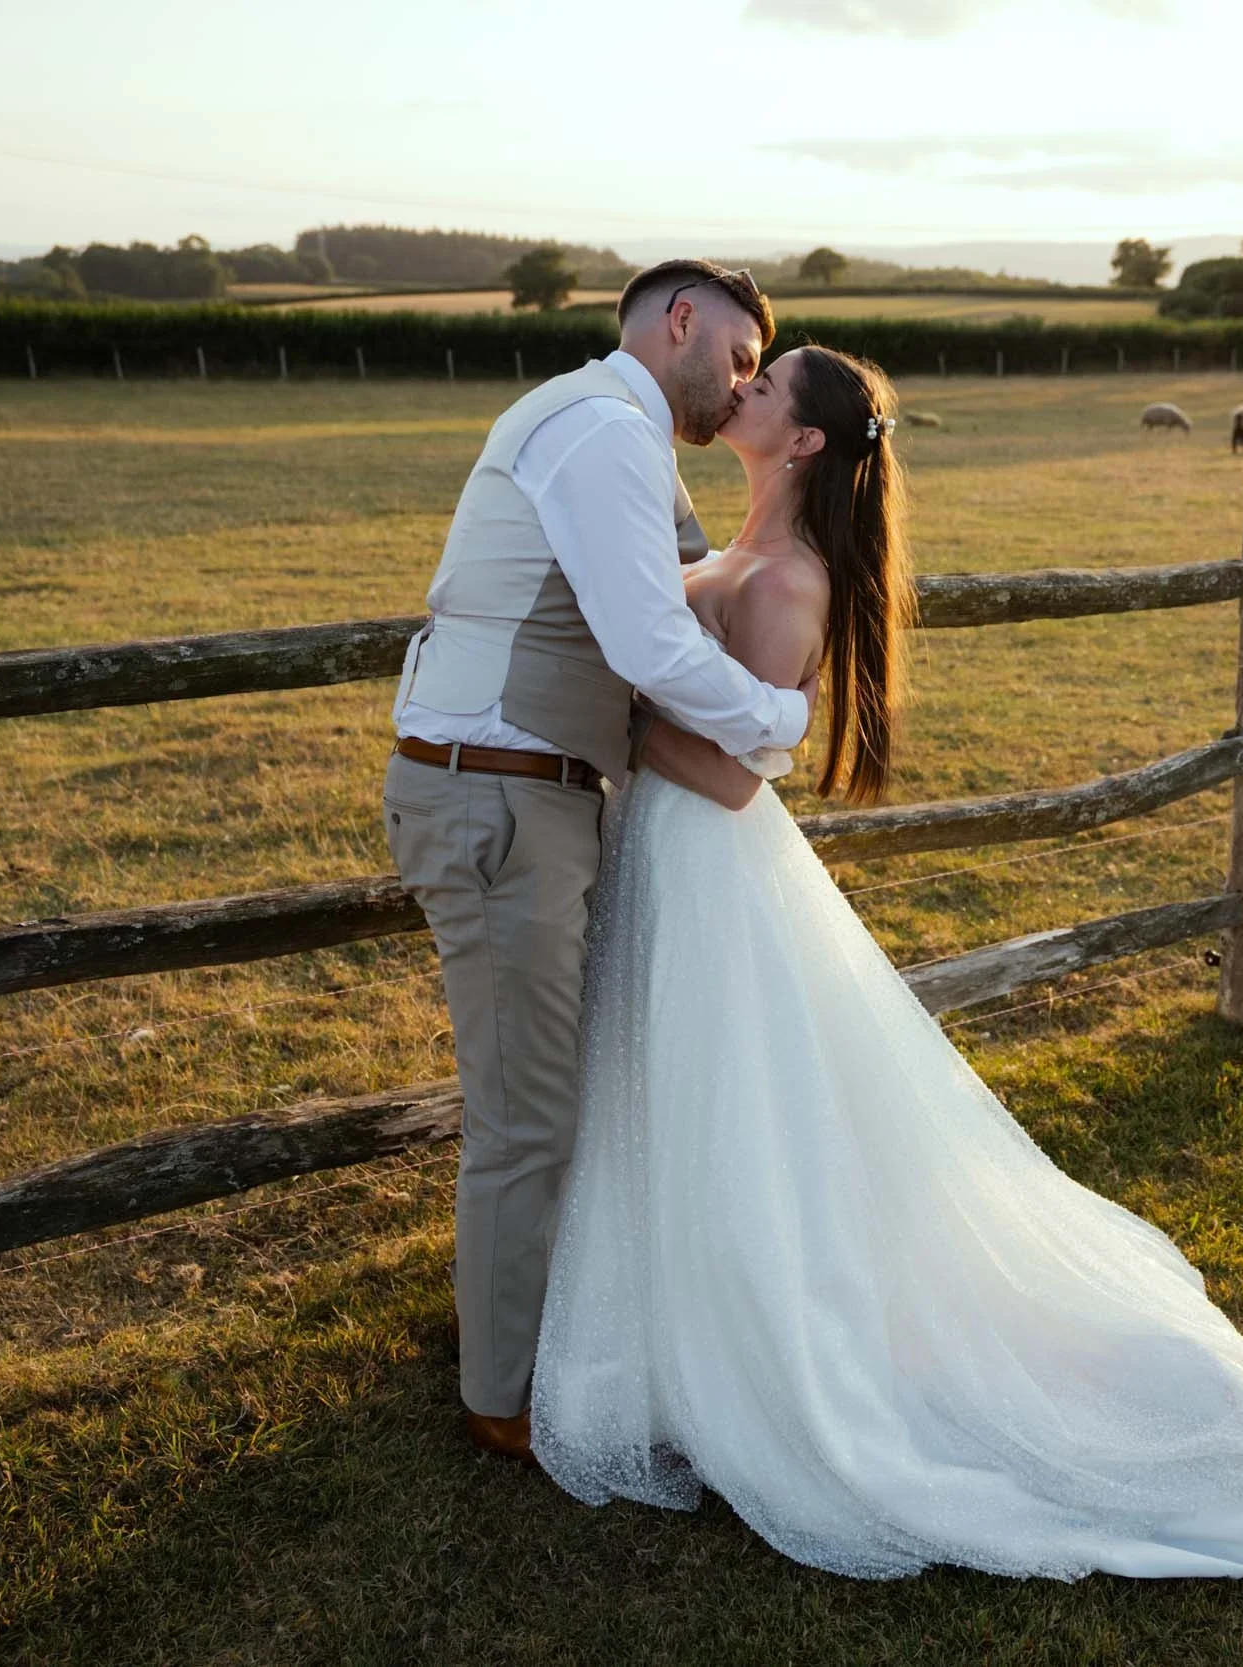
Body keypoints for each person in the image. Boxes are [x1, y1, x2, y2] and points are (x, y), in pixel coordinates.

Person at [529, 343, 1243, 1592]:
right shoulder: (734, 543)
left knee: (721, 1102)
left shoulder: (787, 579)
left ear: (804, 443)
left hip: (702, 854)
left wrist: (618, 723)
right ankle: (670, 1329)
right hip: (664, 856)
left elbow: (733, 773)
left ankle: (758, 1350)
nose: (746, 388)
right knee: (669, 1099)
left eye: (768, 385)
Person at [383, 260, 811, 1460]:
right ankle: (502, 1395)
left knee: (548, 1095)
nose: (738, 386)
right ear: (679, 320)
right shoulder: (598, 432)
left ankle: (521, 1326)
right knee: (526, 1115)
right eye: (735, 355)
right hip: (498, 799)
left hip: (530, 796)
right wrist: (780, 721)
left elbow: (672, 606)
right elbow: (648, 642)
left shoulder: (617, 432)